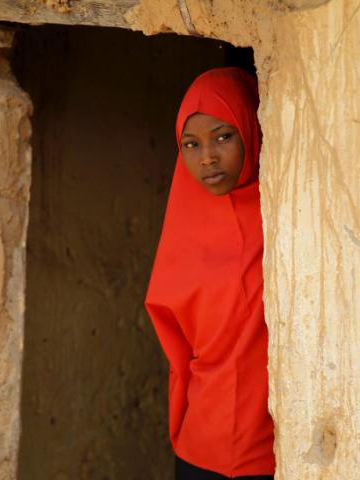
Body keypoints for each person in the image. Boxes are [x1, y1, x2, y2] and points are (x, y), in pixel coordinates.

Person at [145, 67, 275, 480]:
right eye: (191, 144)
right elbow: (178, 347)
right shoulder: (184, 221)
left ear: (252, 130)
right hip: (202, 445)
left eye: (224, 136)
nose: (207, 158)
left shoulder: (288, 207)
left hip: (273, 448)